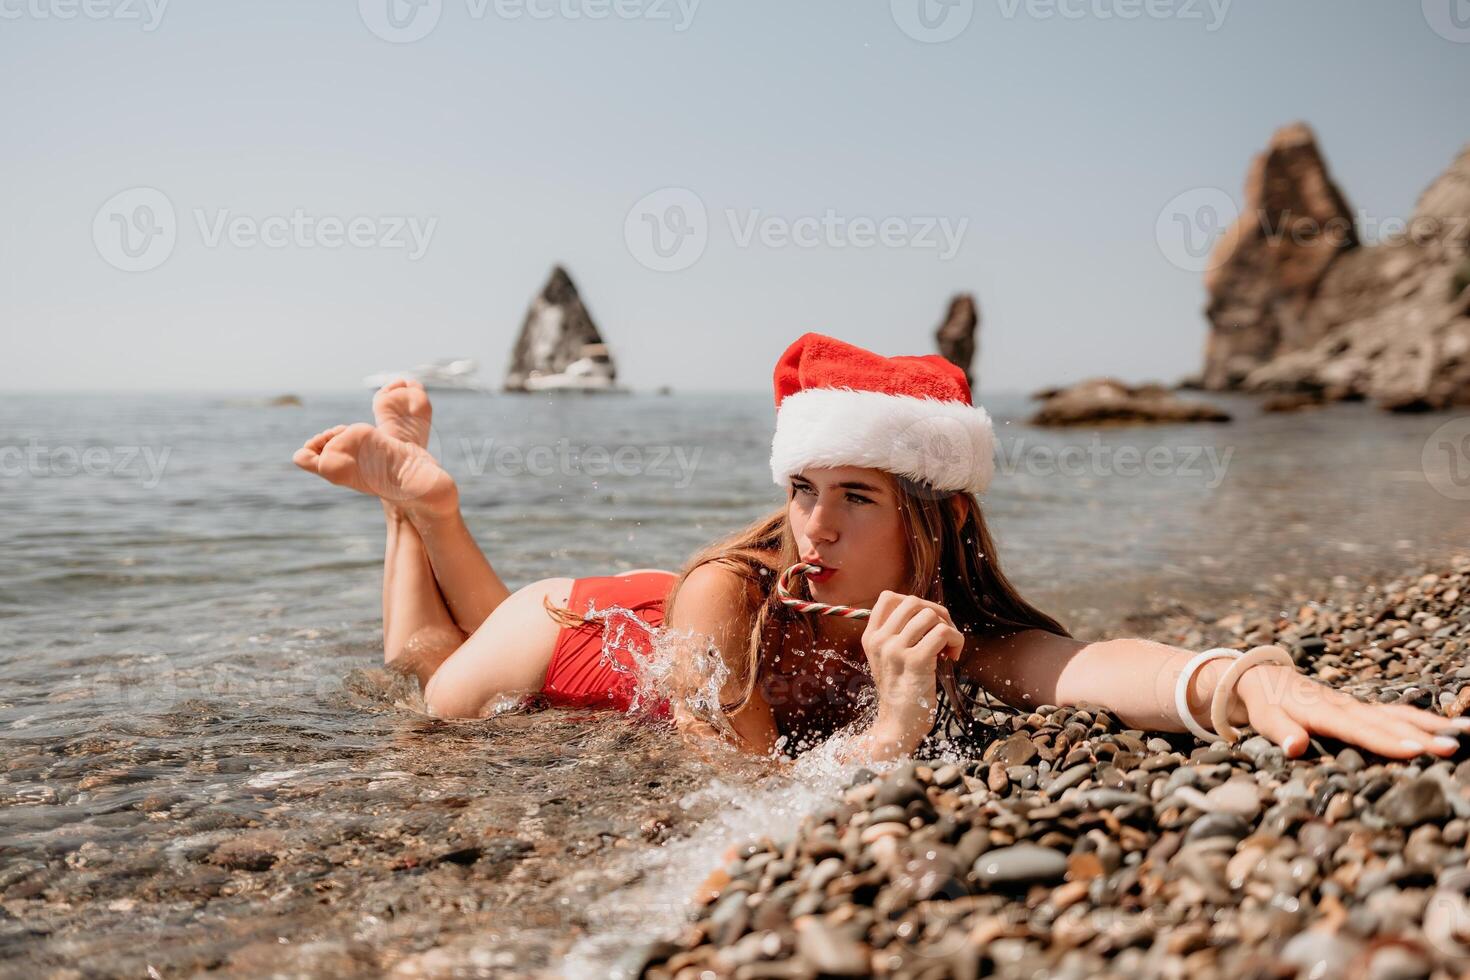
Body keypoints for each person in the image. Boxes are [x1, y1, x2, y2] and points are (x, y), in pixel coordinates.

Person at [293, 332, 1469, 764]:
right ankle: (423, 501)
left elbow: (1086, 663)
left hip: (653, 626)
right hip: (585, 632)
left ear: (935, 514)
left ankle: (424, 501)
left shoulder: (949, 621)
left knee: (422, 643)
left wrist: (1246, 676)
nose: (815, 523)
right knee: (418, 661)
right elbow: (733, 780)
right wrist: (895, 727)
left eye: (854, 494)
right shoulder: (727, 588)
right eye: (803, 488)